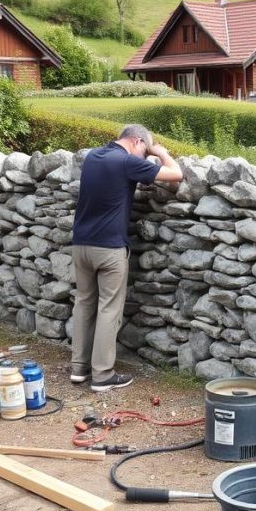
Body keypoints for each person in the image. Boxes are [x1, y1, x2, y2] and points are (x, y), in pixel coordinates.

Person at [70, 124, 182, 392]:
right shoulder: (127, 161)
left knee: (84, 303)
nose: (144, 157)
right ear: (137, 141)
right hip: (109, 248)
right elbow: (176, 174)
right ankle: (102, 375)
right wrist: (161, 151)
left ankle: (78, 368)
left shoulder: (93, 157)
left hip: (80, 244)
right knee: (109, 309)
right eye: (144, 150)